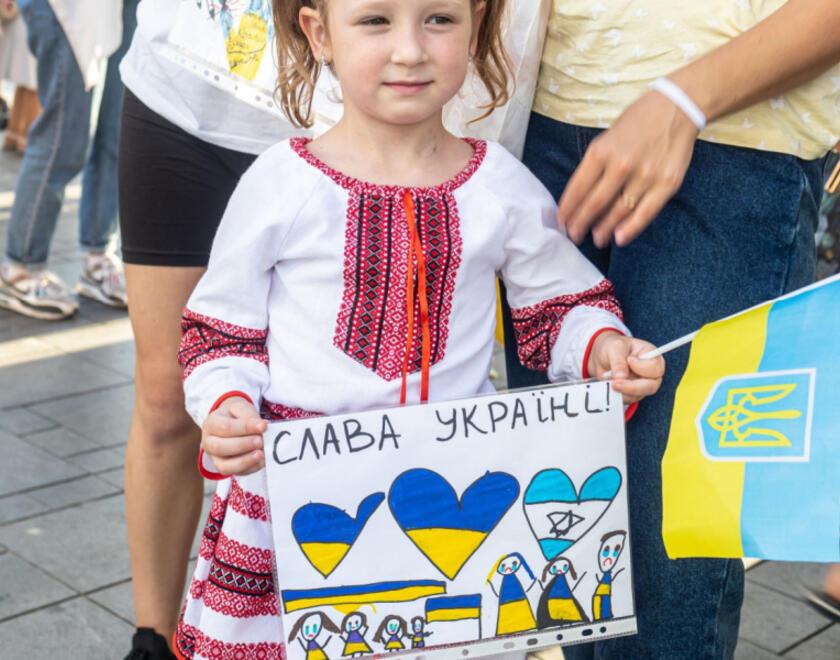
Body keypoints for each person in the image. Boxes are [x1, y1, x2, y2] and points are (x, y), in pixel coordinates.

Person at [171, 0, 665, 657]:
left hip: (451, 501)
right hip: (305, 506)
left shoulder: (501, 187)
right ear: (320, 34)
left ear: (478, 25)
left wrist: (602, 346)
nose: (410, 49)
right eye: (375, 21)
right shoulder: (279, 186)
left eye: (438, 19)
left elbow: (558, 303)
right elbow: (220, 332)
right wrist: (226, 405)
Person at [502, 2, 840, 658]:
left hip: (737, 138)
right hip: (538, 118)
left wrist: (683, 100)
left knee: (664, 573)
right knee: (572, 554)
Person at [117, 0, 303, 657]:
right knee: (169, 398)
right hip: (180, 95)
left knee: (308, 403)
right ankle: (152, 640)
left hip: (345, 113)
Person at [0, 0, 135, 319]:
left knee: (114, 133)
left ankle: (99, 258)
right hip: (67, 8)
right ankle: (19, 269)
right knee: (64, 138)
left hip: (125, 9)